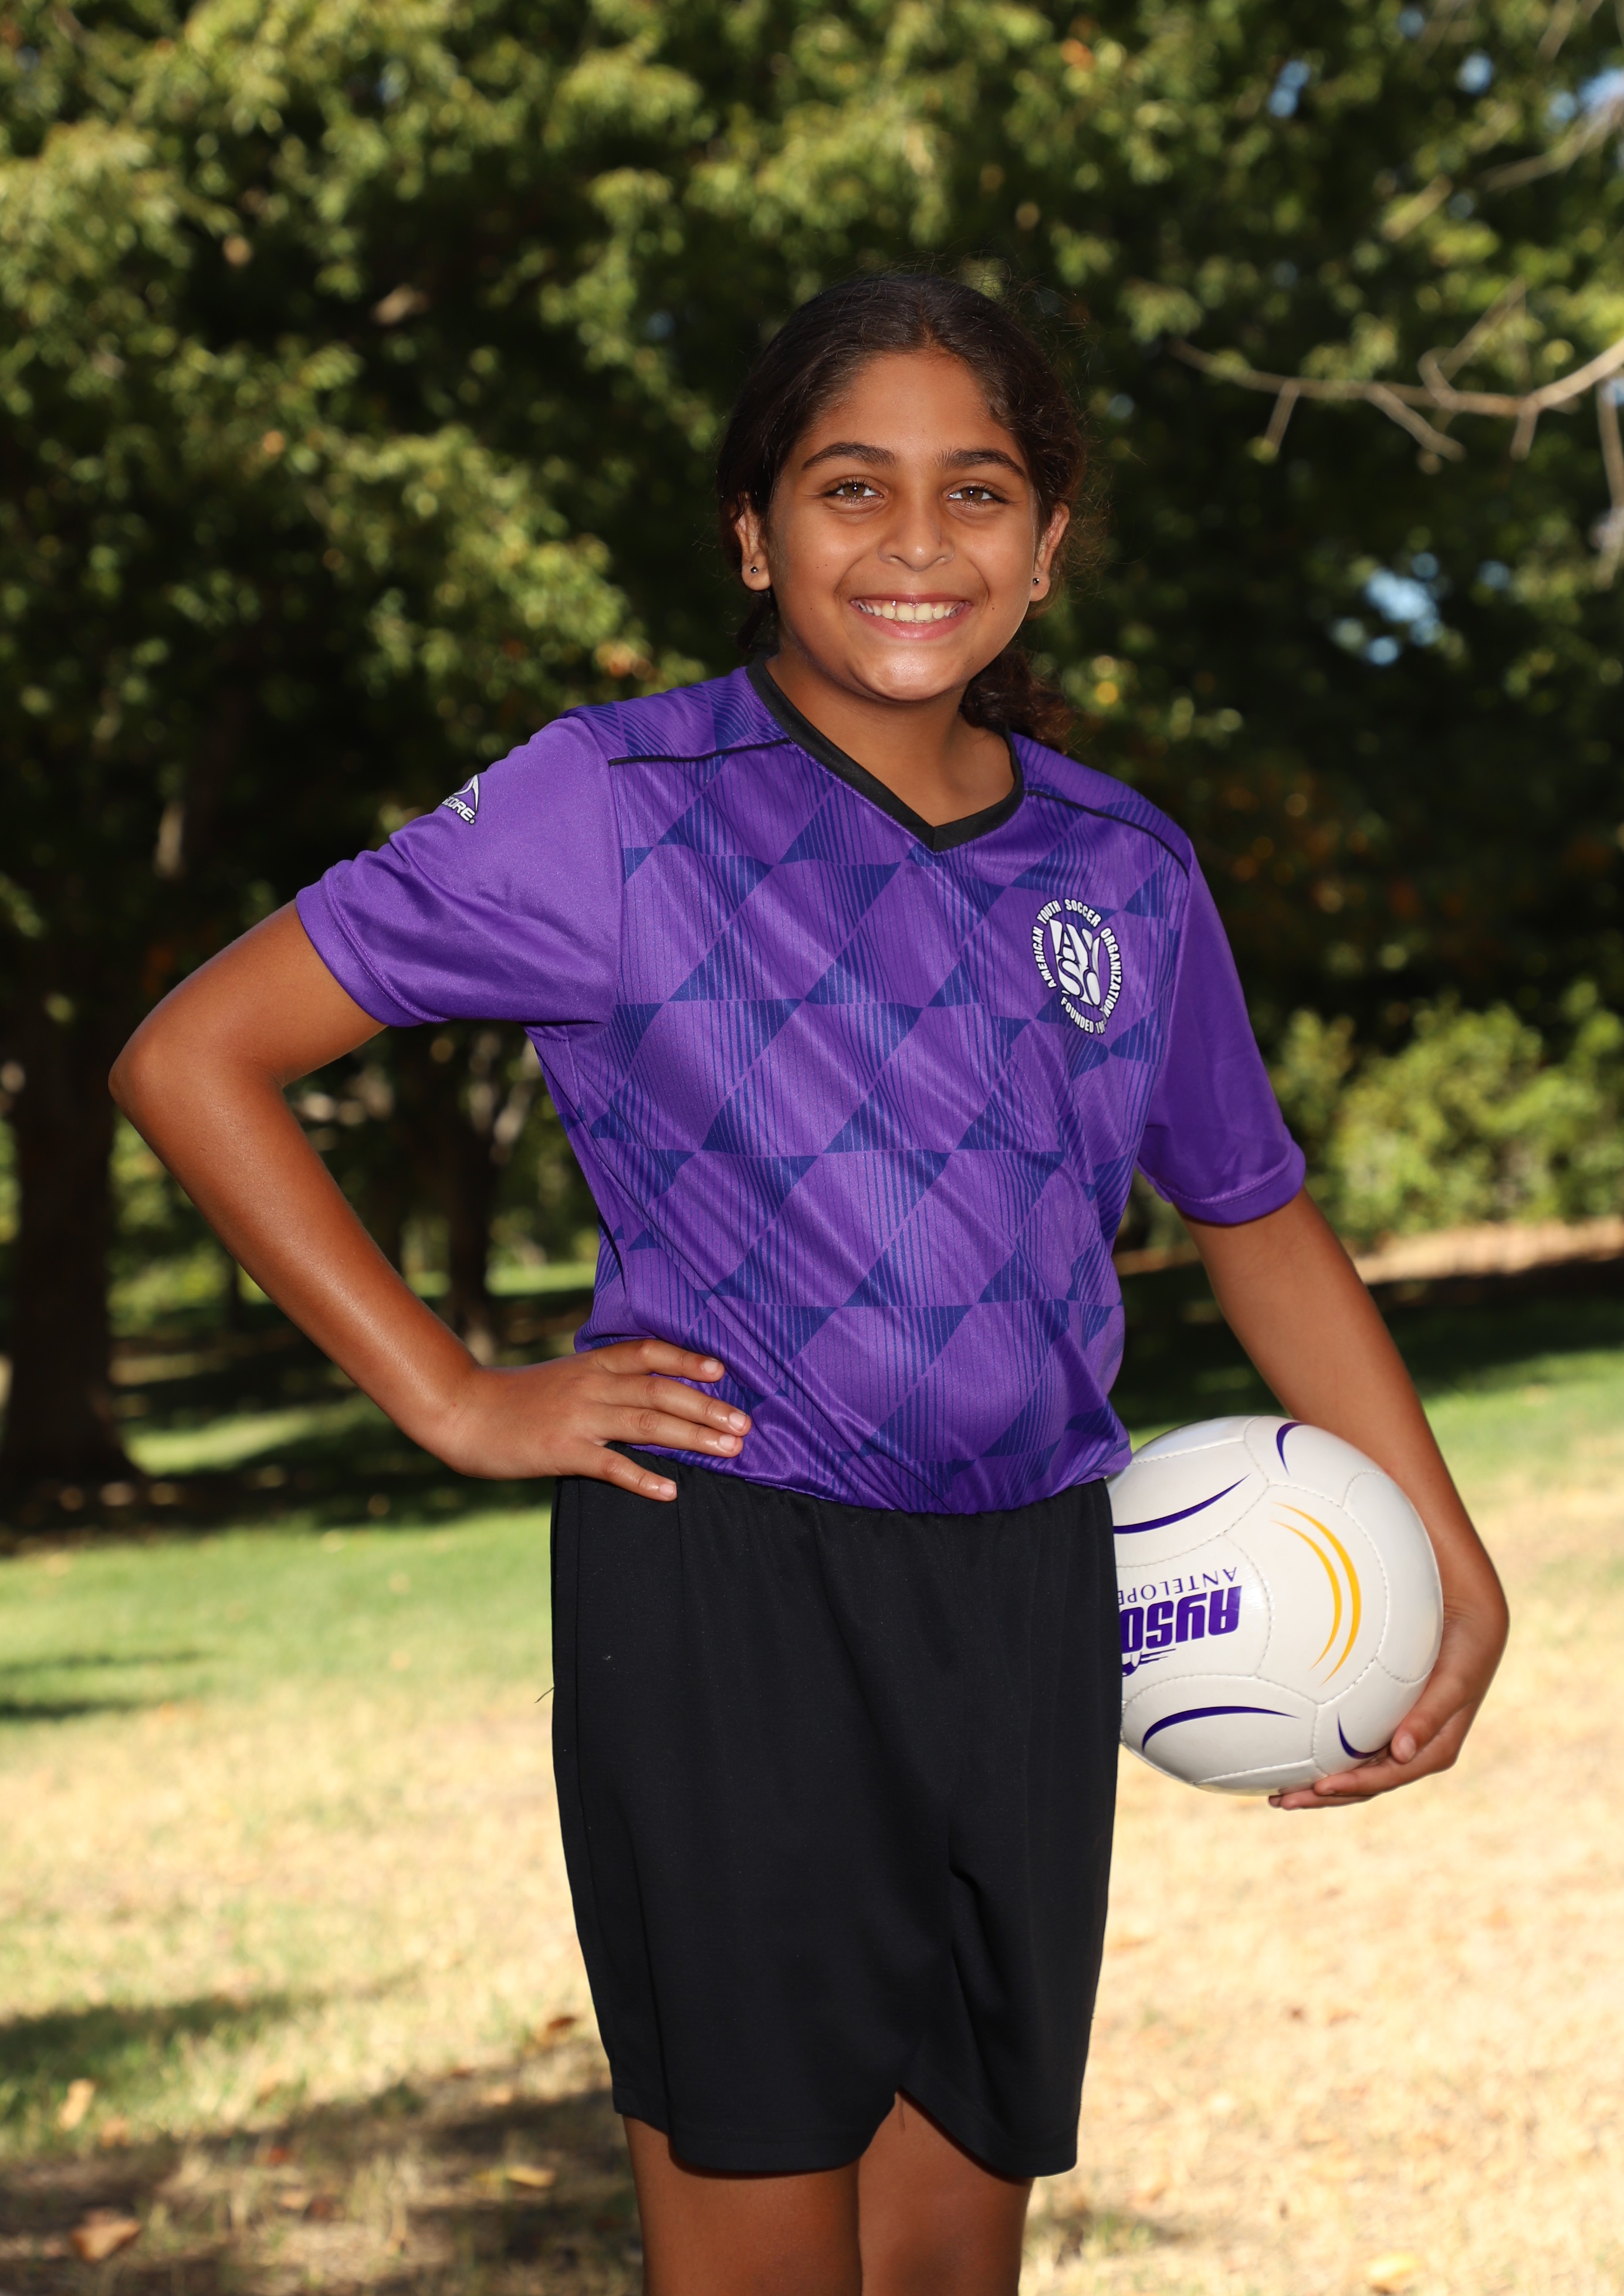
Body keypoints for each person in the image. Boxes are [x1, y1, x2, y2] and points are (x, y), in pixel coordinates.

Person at [113, 273, 1508, 2296]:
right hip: (731, 1588)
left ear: (1047, 543)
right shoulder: (612, 806)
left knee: (948, 2259)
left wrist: (1447, 1552)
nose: (917, 541)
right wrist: (454, 1394)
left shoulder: (1124, 866)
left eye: (978, 491)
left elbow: (1255, 1210)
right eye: (853, 486)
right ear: (756, 533)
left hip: (1036, 1591)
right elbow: (194, 1057)